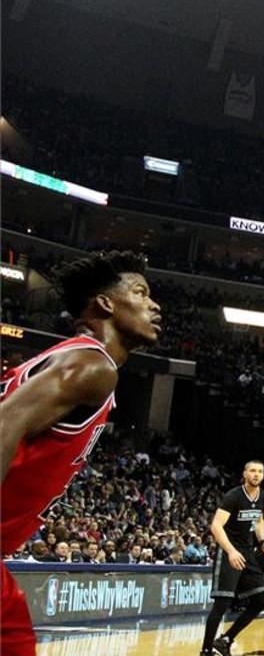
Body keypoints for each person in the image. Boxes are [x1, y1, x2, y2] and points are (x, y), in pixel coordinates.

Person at [0, 251, 161, 656]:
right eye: (140, 293)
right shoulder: (93, 366)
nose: (154, 304)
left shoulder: (70, 358)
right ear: (105, 304)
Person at [201, 460, 264, 656]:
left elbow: (258, 520)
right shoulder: (233, 496)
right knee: (222, 604)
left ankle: (226, 640)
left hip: (247, 551)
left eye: (260, 471)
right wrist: (231, 551)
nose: (256, 474)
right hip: (229, 552)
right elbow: (216, 526)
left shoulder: (263, 496)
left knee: (261, 599)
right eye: (252, 471)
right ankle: (206, 650)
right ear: (245, 474)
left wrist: (262, 543)